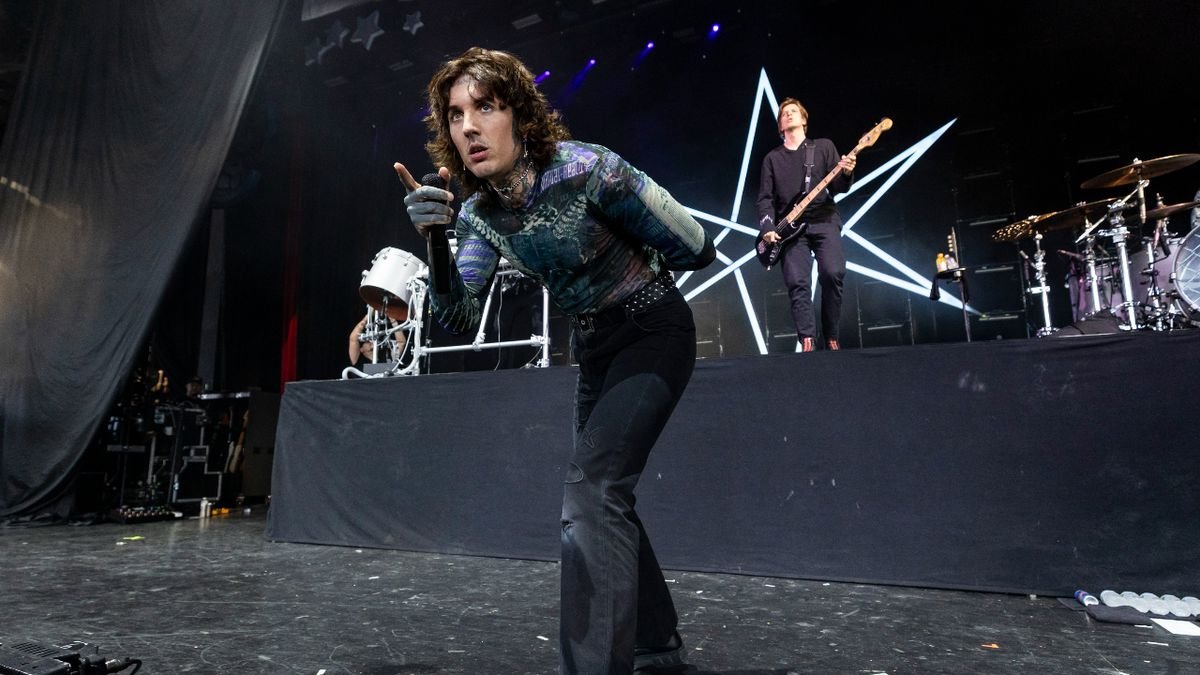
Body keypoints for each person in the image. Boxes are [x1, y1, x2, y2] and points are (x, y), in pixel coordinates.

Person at [395, 47, 715, 675]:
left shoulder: (588, 169)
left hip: (653, 329)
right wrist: (435, 240)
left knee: (593, 491)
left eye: (486, 107)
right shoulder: (479, 216)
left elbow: (697, 248)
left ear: (519, 114)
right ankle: (656, 642)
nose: (469, 127)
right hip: (594, 349)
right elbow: (459, 317)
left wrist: (630, 251)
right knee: (605, 496)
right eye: (456, 115)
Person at [757, 98, 856, 352]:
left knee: (833, 273)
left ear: (803, 119)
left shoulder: (823, 147)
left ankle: (831, 336)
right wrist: (768, 227)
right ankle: (807, 339)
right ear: (780, 125)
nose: (788, 115)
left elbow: (839, 187)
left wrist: (846, 172)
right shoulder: (772, 159)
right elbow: (765, 198)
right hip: (790, 230)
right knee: (797, 282)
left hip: (824, 219)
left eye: (793, 111)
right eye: (784, 114)